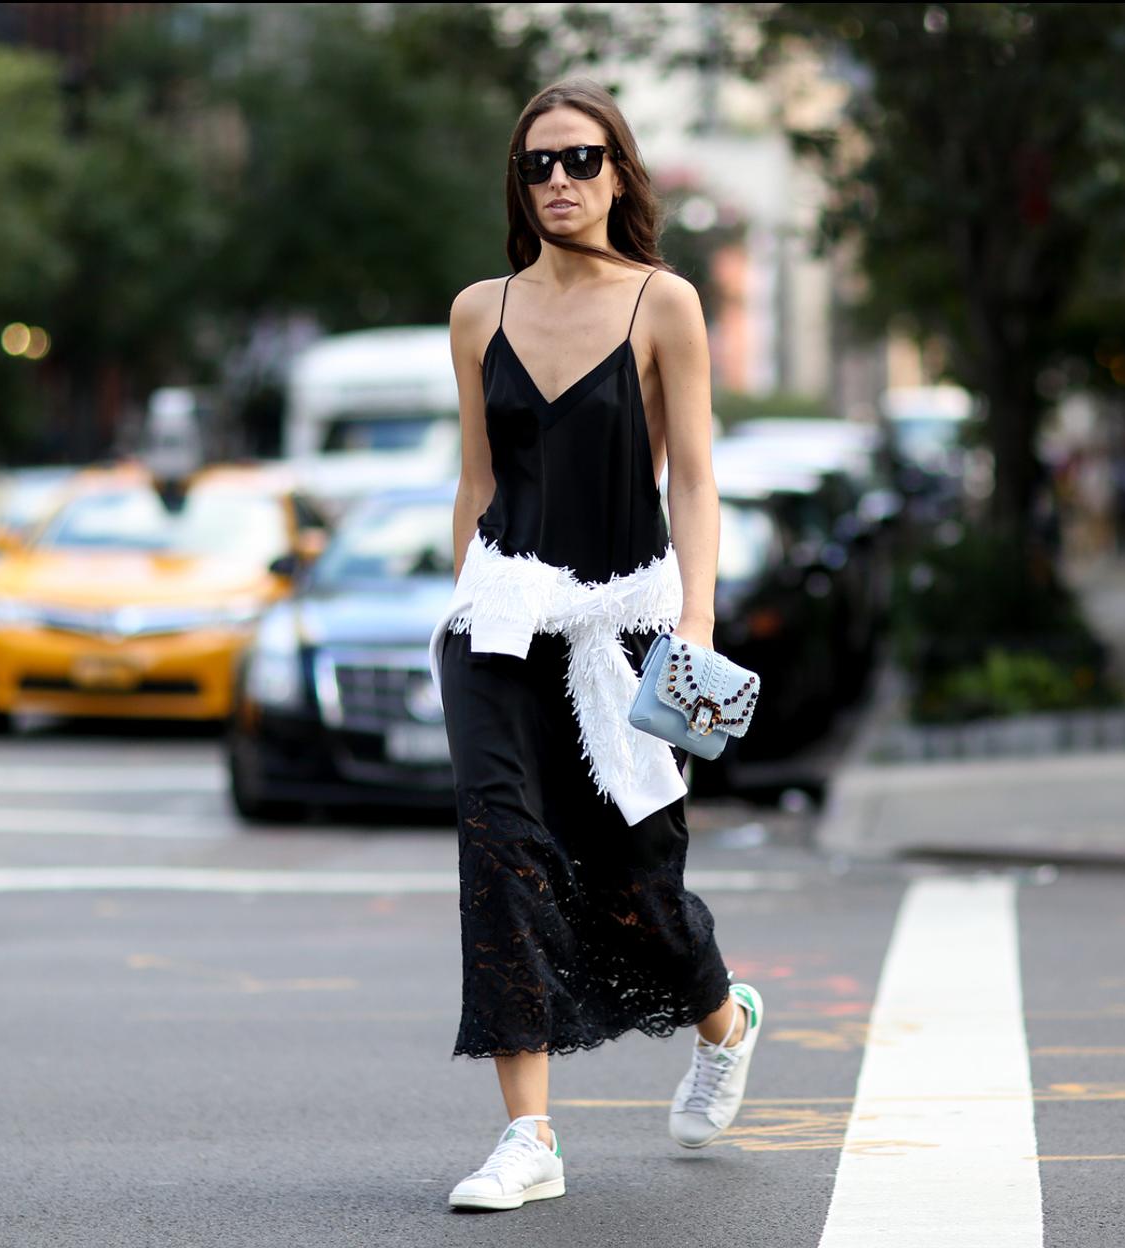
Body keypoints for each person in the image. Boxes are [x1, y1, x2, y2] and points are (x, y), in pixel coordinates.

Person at [426, 78, 764, 1213]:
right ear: (518, 187)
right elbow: (476, 481)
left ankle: (723, 1018)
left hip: (624, 632)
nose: (560, 181)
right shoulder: (480, 310)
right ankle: (530, 1138)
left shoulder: (663, 302)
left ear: (619, 172)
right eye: (538, 165)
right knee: (501, 855)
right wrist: (459, 597)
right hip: (501, 626)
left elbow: (700, 481)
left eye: (581, 161)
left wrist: (696, 624)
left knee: (638, 885)